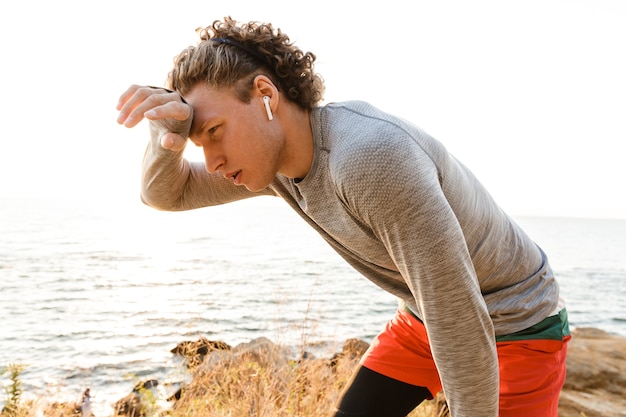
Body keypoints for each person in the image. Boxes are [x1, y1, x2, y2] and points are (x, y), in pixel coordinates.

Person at [116, 17, 570, 417]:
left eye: (215, 132)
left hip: (516, 320)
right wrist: (166, 133)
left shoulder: (369, 161)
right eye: (202, 144)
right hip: (424, 315)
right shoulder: (272, 165)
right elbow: (165, 194)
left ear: (265, 94)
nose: (213, 161)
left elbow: (462, 319)